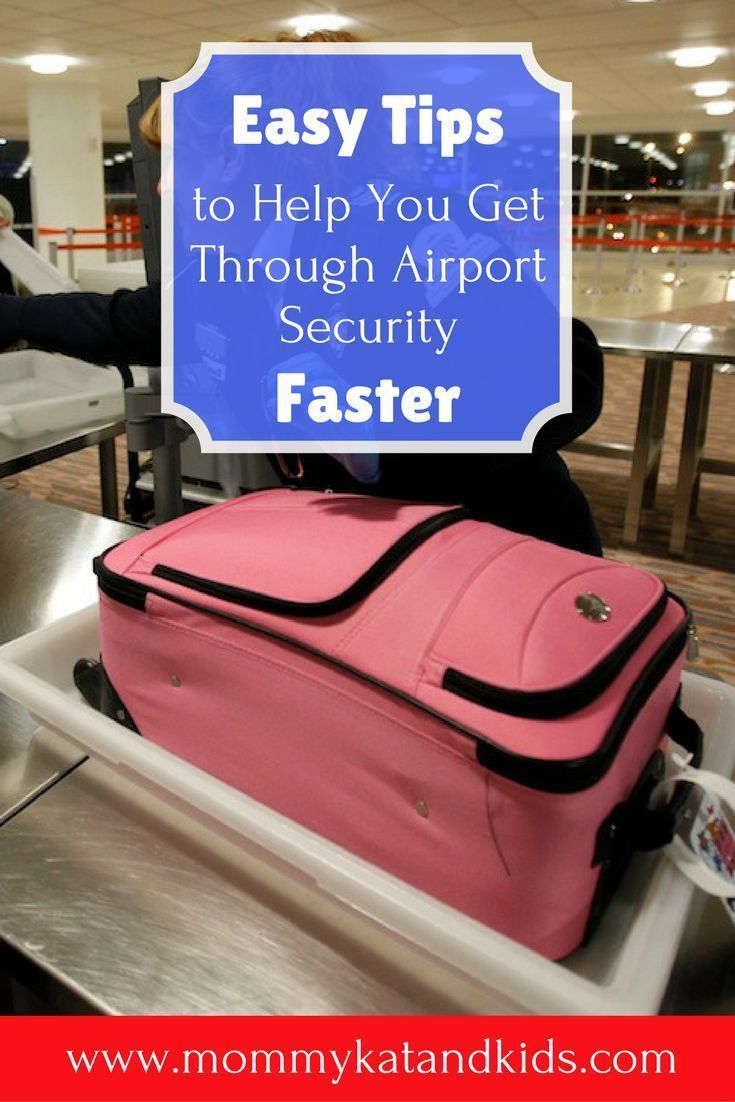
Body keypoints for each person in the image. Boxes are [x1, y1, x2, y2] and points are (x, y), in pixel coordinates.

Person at [0, 32, 604, 556]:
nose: (161, 186)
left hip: (505, 554)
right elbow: (122, 322)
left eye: (178, 159)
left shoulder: (409, 232)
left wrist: (381, 426)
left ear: (237, 159)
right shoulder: (234, 268)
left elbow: (568, 377)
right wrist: (8, 314)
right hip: (381, 553)